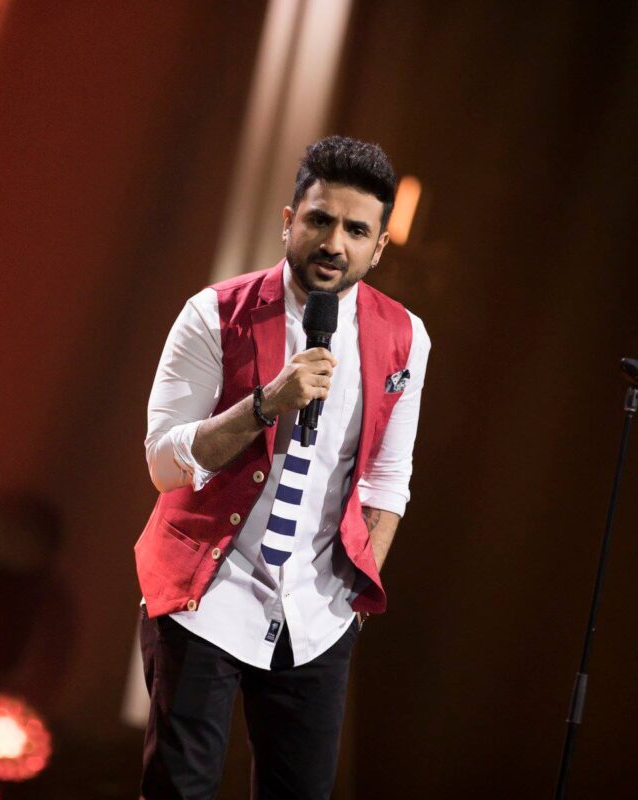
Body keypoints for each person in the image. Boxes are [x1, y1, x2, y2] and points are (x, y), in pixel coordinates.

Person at [136, 135, 431, 799]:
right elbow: (163, 463)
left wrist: (350, 603)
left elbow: (389, 482)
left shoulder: (405, 336)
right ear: (289, 219)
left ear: (380, 246)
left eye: (357, 230)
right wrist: (265, 404)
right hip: (205, 591)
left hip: (316, 609)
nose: (335, 243)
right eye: (321, 220)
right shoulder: (214, 313)